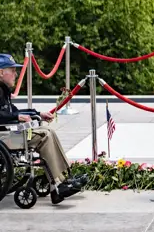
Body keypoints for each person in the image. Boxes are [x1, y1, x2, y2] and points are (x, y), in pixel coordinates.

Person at [0, 53, 88, 205]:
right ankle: (58, 184)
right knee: (44, 136)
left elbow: (13, 111)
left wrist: (37, 113)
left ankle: (63, 179)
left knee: (48, 131)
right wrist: (16, 117)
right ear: (1, 72)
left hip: (6, 135)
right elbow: (6, 114)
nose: (16, 74)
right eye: (12, 70)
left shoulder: (3, 90)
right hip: (4, 137)